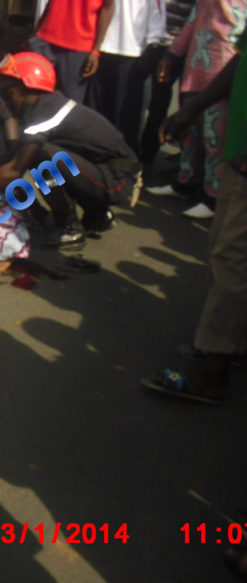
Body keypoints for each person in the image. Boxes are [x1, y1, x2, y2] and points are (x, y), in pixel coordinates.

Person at [140, 28, 247, 406]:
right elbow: (238, 62)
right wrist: (192, 107)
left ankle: (213, 374)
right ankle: (230, 344)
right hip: (236, 155)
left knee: (232, 258)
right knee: (222, 250)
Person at [0, 52, 141, 249]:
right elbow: (13, 155)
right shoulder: (46, 105)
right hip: (106, 171)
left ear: (28, 89)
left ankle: (69, 229)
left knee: (43, 157)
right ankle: (98, 215)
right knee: (47, 156)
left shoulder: (44, 115)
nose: (7, 101)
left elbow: (14, 169)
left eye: (11, 93)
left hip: (116, 181)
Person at [151, 0, 247, 220]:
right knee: (189, 132)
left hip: (222, 66)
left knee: (215, 136)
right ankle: (186, 181)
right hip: (196, 63)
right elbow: (192, 22)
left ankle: (213, 196)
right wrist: (172, 55)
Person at [87, 0, 165, 153]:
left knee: (126, 114)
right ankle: (97, 155)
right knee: (99, 108)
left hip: (133, 50)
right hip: (102, 47)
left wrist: (153, 41)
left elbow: (157, 8)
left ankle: (125, 162)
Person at [136, 0, 196, 166]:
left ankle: (148, 154)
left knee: (161, 102)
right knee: (142, 99)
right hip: (148, 43)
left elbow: (194, 19)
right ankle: (138, 151)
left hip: (176, 49)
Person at [29, 0, 115, 103]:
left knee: (70, 103)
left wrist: (96, 50)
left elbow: (107, 8)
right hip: (46, 38)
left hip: (79, 46)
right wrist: (36, 33)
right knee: (32, 95)